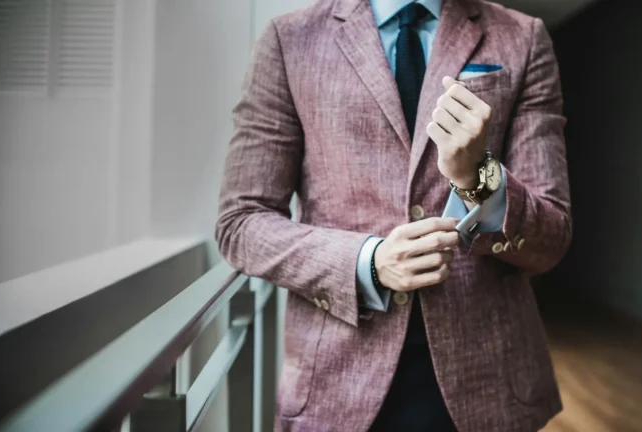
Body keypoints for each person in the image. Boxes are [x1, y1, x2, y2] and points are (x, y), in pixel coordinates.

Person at [216, 0, 571, 429]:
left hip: (487, 384)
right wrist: (368, 261)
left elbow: (550, 239)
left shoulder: (522, 36)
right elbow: (242, 222)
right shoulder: (290, 39)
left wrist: (477, 177)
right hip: (337, 385)